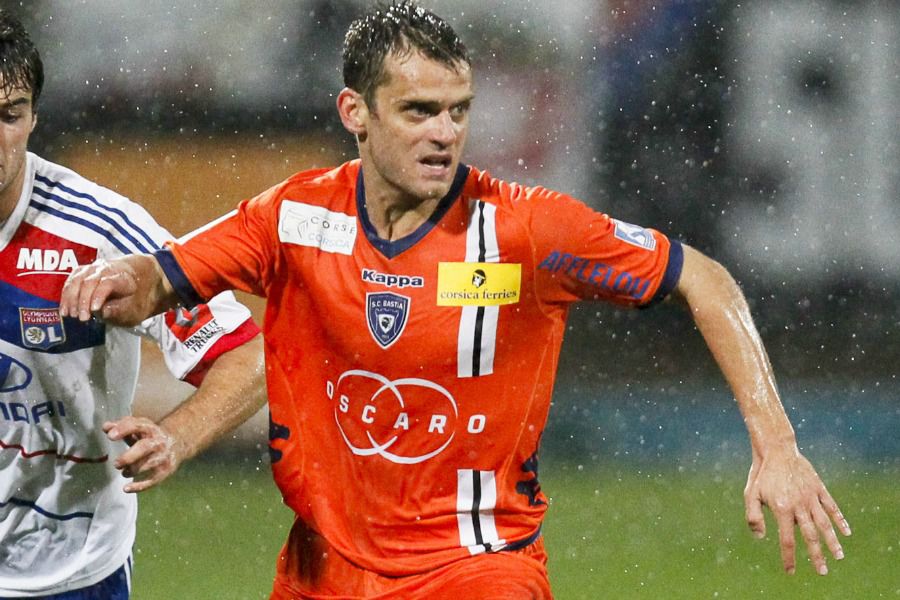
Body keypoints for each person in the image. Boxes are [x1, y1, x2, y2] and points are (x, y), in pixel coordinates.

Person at [60, 1, 851, 598]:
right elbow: (161, 279)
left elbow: (703, 278)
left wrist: (776, 446)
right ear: (355, 114)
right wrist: (122, 284)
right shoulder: (295, 217)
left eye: (458, 111)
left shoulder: (528, 229)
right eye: (418, 111)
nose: (444, 133)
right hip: (321, 568)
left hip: (476, 570)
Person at [0, 10, 266, 599]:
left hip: (69, 574)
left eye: (10, 115)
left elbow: (246, 354)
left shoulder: (96, 232)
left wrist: (177, 437)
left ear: (33, 118)